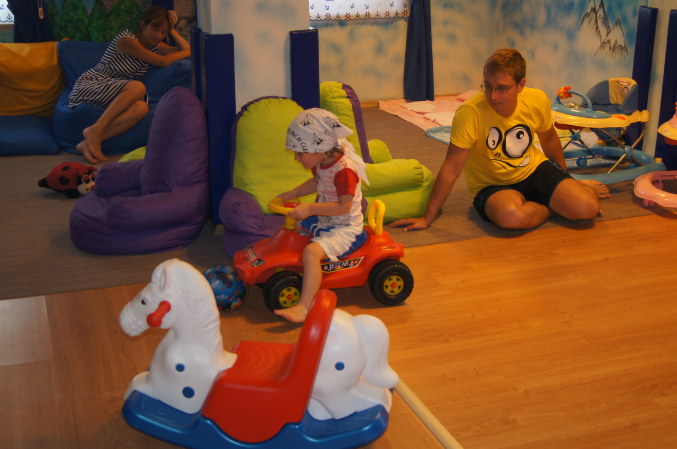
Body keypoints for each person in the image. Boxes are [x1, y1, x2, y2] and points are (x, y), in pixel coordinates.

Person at [390, 48, 610, 232]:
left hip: (533, 170)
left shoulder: (537, 99)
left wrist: (566, 179)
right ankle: (554, 206)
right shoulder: (470, 112)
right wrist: (427, 217)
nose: (493, 96)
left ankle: (562, 195)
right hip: (491, 184)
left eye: (502, 89)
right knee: (512, 217)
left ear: (521, 85)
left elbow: (550, 140)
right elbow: (451, 167)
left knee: (588, 208)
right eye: (487, 86)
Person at [275, 108, 370, 323]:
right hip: (326, 221)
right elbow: (317, 181)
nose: (296, 158)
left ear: (318, 149)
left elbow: (343, 207)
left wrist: (310, 208)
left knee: (310, 253)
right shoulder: (323, 162)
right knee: (296, 221)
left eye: (299, 153)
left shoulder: (345, 170)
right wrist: (294, 193)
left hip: (345, 229)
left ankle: (304, 307)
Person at [68, 6, 191, 164]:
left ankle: (87, 142)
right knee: (138, 87)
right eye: (155, 29)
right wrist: (188, 51)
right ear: (142, 24)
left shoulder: (155, 46)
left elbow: (188, 51)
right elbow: (163, 61)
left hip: (117, 91)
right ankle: (95, 129)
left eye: (163, 32)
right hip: (93, 84)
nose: (159, 35)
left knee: (141, 108)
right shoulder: (127, 40)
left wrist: (172, 30)